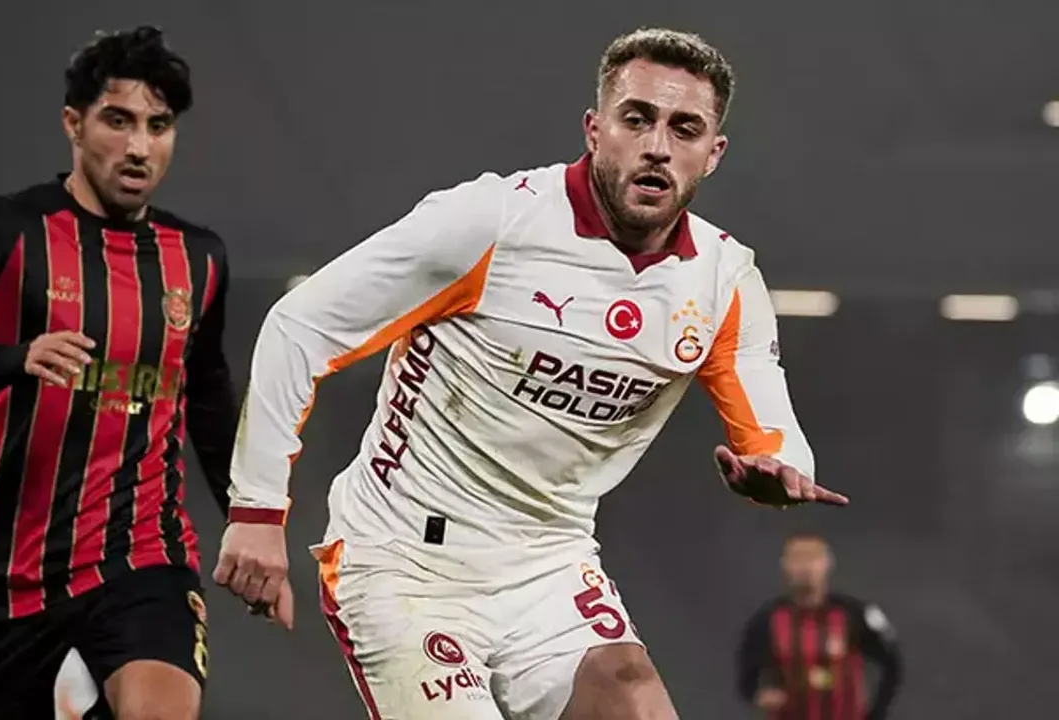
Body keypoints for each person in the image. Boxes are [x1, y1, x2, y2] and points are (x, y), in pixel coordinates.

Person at [216, 26, 848, 720]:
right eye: (637, 119)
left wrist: (780, 474)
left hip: (549, 563)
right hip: (405, 562)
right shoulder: (491, 223)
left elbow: (775, 436)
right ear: (595, 130)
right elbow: (299, 326)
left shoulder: (724, 282)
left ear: (714, 153)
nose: (658, 146)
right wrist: (257, 512)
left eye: (685, 128)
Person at [0, 25, 234, 720]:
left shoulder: (198, 258)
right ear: (73, 123)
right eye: (117, 121)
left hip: (140, 558)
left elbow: (207, 396)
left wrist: (253, 520)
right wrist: (13, 358)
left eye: (158, 126)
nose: (139, 147)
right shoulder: (0, 231)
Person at [737, 533, 902, 720]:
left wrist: (876, 713)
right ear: (785, 565)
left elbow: (892, 663)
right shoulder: (767, 620)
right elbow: (747, 675)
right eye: (798, 559)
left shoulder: (853, 614)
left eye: (813, 559)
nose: (806, 568)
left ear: (828, 563)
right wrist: (760, 695)